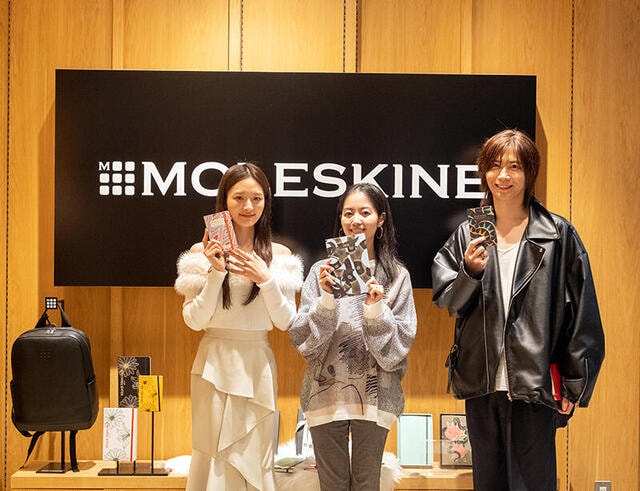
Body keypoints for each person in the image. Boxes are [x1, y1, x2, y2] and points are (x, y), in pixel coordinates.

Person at [431, 129, 605, 490]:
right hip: (481, 383)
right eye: (495, 166)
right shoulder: (469, 233)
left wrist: (575, 384)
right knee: (488, 483)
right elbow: (449, 301)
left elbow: (583, 315)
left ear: (530, 173)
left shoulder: (557, 234)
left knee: (533, 483)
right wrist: (469, 272)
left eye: (514, 167)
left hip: (535, 383)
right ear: (484, 173)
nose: (503, 176)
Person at [174, 162, 303, 491]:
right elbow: (194, 320)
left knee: (256, 456)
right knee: (212, 453)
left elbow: (286, 321)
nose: (248, 206)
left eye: (257, 198)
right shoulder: (200, 254)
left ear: (266, 202)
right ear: (224, 201)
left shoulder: (280, 255)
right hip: (213, 363)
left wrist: (266, 280)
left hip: (257, 363)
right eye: (239, 198)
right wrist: (216, 273)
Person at [289, 182, 417, 491]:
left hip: (376, 396)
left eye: (365, 212)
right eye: (348, 213)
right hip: (324, 393)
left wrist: (375, 310)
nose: (356, 220)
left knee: (366, 484)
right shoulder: (321, 272)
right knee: (331, 485)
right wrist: (326, 298)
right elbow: (304, 340)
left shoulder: (396, 276)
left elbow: (400, 345)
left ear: (381, 219)